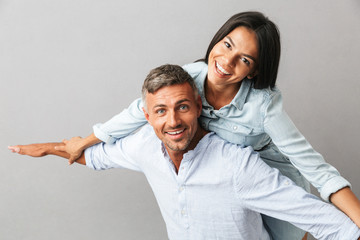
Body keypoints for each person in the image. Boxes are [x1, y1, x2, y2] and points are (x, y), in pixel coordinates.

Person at [47, 11, 360, 240]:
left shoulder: (264, 106)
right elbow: (137, 110)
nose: (227, 61)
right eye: (226, 45)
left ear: (254, 71)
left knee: (294, 235)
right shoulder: (191, 77)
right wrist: (85, 141)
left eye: (245, 59)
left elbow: (316, 169)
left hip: (270, 169)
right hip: (221, 168)